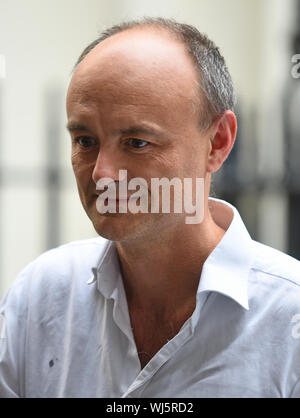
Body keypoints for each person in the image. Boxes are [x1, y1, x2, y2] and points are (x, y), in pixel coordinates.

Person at [1, 17, 300, 399]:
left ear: (218, 142)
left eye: (137, 142)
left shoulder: (288, 316)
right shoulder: (40, 297)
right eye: (85, 140)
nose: (102, 174)